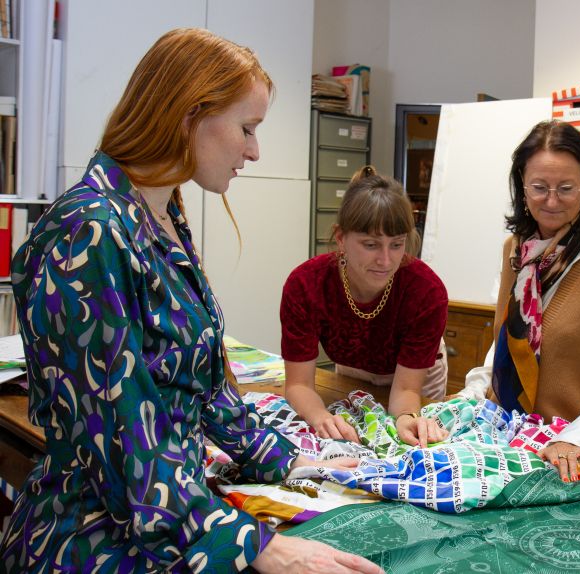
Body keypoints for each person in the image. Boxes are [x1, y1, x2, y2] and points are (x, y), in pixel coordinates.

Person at [0, 28, 382, 574]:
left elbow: (204, 383)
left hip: (164, 509)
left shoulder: (162, 214)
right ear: (188, 115)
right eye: (247, 128)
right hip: (93, 536)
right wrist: (256, 546)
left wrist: (288, 460)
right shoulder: (87, 233)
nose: (254, 150)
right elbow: (123, 440)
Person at [460, 120, 580, 482]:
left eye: (565, 188)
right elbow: (508, 344)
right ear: (522, 186)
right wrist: (472, 396)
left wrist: (578, 437)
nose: (550, 201)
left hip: (572, 454)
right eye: (539, 188)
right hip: (507, 444)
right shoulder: (517, 251)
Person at [280, 166, 449, 447]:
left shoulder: (426, 291)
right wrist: (320, 416)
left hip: (414, 375)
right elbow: (298, 385)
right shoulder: (306, 284)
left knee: (408, 438)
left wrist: (407, 418)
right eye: (371, 245)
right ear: (340, 238)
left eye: (396, 245)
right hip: (352, 365)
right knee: (350, 430)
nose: (385, 260)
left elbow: (406, 389)